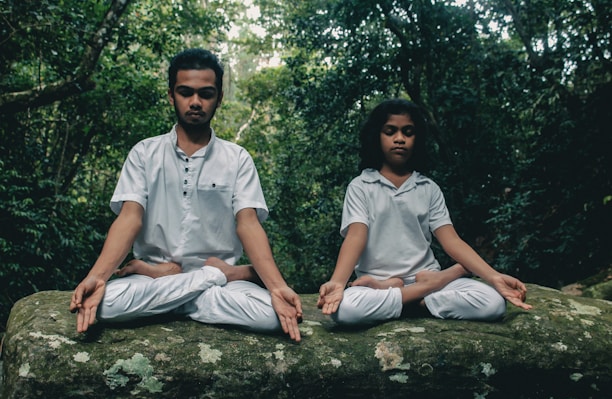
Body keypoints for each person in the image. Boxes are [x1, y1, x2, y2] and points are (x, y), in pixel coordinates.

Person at [69, 48, 302, 342]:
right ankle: (210, 279)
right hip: (156, 274)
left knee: (272, 315)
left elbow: (248, 224)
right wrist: (98, 276)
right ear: (171, 95)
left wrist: (277, 286)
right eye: (185, 92)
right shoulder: (145, 153)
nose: (195, 102)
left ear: (218, 98)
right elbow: (129, 219)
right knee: (103, 303)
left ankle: (195, 285)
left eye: (205, 93)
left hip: (215, 284)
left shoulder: (237, 158)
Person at [317, 99, 532, 326]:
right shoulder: (361, 186)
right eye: (390, 132)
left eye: (407, 132)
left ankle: (415, 293)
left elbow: (452, 241)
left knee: (492, 303)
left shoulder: (428, 188)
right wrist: (338, 283)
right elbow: (356, 236)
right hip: (381, 285)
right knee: (343, 310)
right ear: (377, 137)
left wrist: (493, 277)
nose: (399, 139)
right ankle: (429, 287)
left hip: (423, 273)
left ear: (416, 139)